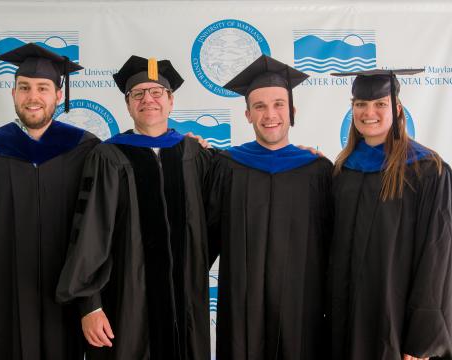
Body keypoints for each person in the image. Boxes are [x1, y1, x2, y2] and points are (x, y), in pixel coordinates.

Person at [56, 55, 212, 360]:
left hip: (184, 305)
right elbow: (89, 235)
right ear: (128, 105)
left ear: (170, 101)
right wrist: (90, 305)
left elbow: (224, 210)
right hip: (127, 305)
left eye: (156, 92)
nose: (147, 100)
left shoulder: (195, 155)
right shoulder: (108, 157)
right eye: (137, 94)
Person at [0, 43, 99, 360]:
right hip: (1, 303)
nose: (33, 96)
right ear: (13, 93)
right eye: (24, 87)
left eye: (43, 88)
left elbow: (101, 233)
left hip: (66, 304)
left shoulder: (87, 151)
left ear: (58, 95)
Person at [205, 54, 333, 359]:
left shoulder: (318, 171)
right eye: (259, 106)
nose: (270, 114)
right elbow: (201, 240)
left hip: (302, 310)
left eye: (278, 104)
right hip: (241, 312)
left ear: (292, 111)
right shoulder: (226, 167)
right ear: (248, 114)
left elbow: (336, 248)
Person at [328, 69, 452, 360]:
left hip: (395, 324)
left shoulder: (428, 171)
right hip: (343, 320)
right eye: (360, 104)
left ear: (397, 109)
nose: (369, 112)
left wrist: (421, 339)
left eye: (380, 104)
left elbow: (436, 258)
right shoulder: (342, 171)